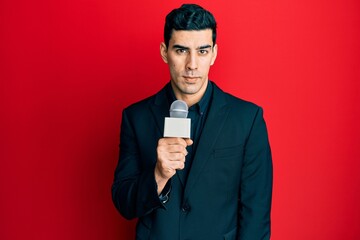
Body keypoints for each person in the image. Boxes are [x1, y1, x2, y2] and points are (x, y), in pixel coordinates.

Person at [112, 3, 272, 240]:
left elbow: (256, 215)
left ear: (214, 54)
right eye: (181, 50)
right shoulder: (136, 118)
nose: (192, 65)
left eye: (202, 51)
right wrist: (158, 174)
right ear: (165, 52)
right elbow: (124, 203)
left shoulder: (247, 119)